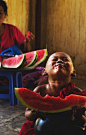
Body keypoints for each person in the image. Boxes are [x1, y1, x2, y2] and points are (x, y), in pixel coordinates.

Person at [19, 52, 86, 135]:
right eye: (55, 59)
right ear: (44, 71)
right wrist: (32, 114)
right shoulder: (40, 90)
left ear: (73, 72)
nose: (60, 61)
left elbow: (83, 121)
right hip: (42, 129)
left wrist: (78, 115)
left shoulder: (77, 94)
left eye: (65, 60)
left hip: (66, 129)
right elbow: (27, 113)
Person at [0, 0, 45, 90]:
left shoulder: (12, 30)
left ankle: (9, 86)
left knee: (43, 72)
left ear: (5, 14)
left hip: (14, 72)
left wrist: (27, 41)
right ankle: (14, 86)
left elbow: (26, 52)